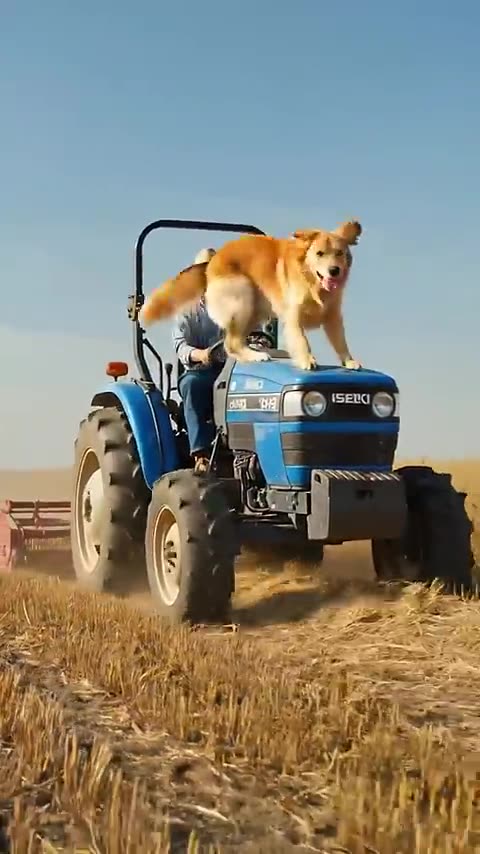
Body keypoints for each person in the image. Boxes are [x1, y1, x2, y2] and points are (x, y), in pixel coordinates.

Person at [172, 249, 224, 473]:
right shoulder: (187, 310)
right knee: (191, 384)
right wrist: (200, 354)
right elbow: (180, 346)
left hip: (234, 371)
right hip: (201, 371)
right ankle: (201, 454)